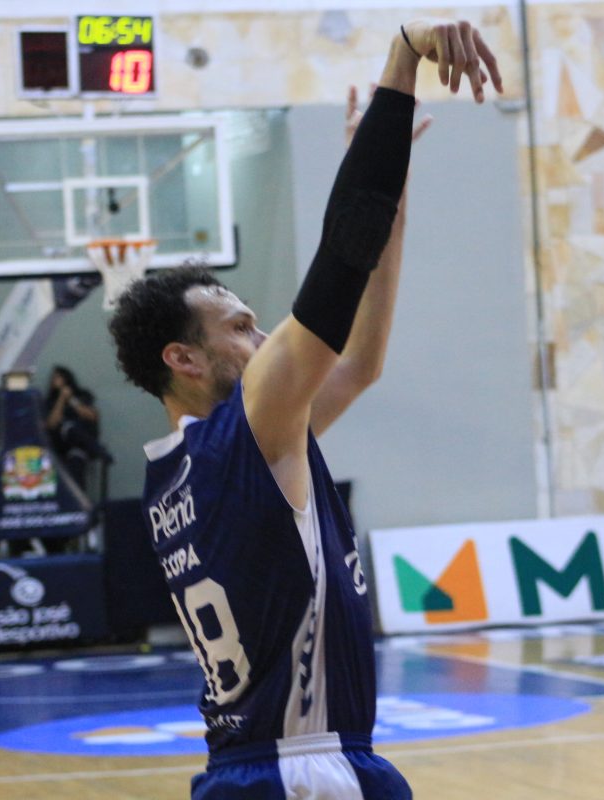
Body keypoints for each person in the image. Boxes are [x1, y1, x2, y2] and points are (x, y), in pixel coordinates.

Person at [109, 18, 500, 799]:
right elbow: (340, 265)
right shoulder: (250, 431)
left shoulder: (183, 471)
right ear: (184, 359)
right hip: (304, 769)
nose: (262, 339)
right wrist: (402, 57)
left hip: (251, 766)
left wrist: (390, 195)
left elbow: (360, 363)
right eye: (240, 327)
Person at [44, 365, 104, 489]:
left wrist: (70, 398)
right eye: (54, 378)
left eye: (58, 377)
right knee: (68, 428)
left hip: (79, 446)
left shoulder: (82, 395)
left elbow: (91, 415)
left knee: (76, 460)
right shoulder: (49, 401)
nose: (55, 380)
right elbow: (51, 424)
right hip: (60, 446)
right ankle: (97, 449)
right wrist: (61, 398)